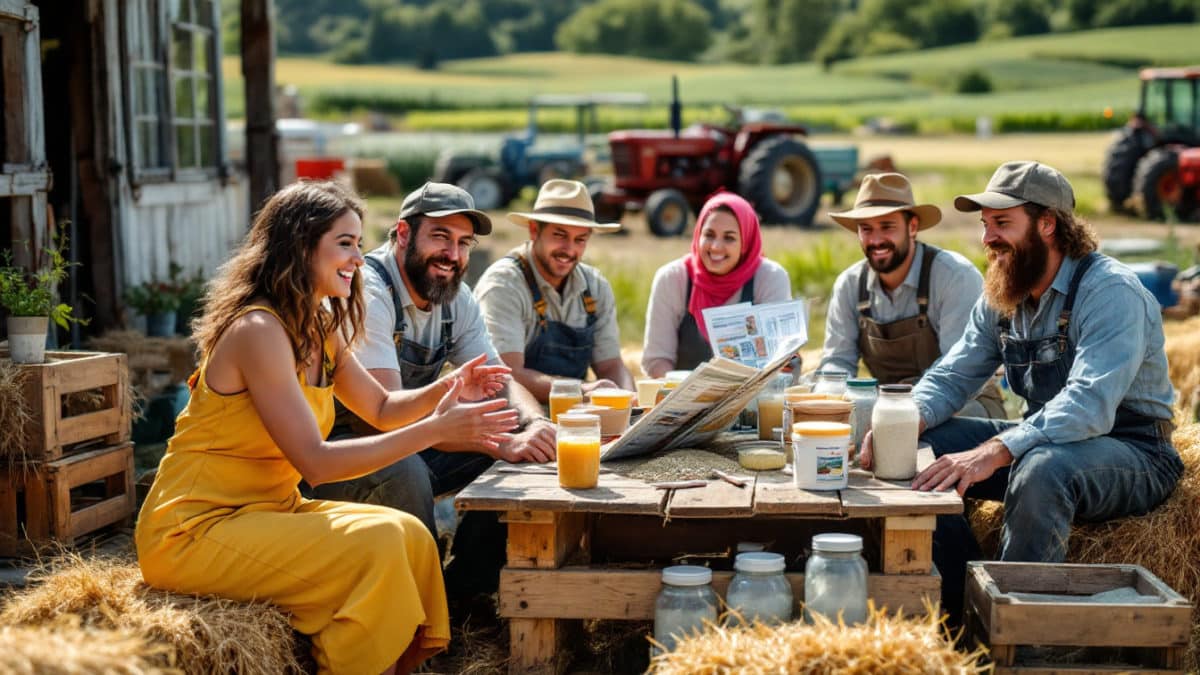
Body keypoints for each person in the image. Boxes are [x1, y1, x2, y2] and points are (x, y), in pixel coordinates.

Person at [135, 181, 521, 674]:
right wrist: (437, 428)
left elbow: (381, 407)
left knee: (411, 537)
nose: (359, 259)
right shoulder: (258, 331)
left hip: (269, 510)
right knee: (378, 547)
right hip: (194, 528)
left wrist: (448, 389)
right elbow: (315, 462)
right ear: (300, 246)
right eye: (345, 243)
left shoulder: (319, 324)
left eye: (359, 244)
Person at [861, 161, 1184, 626]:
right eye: (985, 224)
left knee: (1041, 469)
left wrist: (995, 450)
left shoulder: (1110, 291)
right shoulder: (1005, 289)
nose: (988, 238)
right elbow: (953, 374)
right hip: (1047, 438)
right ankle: (963, 608)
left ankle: (1016, 633)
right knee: (916, 446)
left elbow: (1089, 407)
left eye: (1002, 223)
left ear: (1047, 224)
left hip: (1134, 449)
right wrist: (904, 419)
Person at [310, 181, 556, 602]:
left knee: (522, 435)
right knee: (408, 468)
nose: (453, 255)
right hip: (345, 450)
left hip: (413, 433)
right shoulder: (369, 291)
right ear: (403, 234)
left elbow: (501, 378)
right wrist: (498, 443)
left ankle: (467, 587)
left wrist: (533, 425)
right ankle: (421, 604)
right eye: (440, 237)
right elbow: (379, 417)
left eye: (463, 243)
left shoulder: (456, 298)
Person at [820, 172, 1005, 418]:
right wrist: (831, 396)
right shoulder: (850, 285)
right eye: (866, 229)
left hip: (963, 403)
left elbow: (959, 371)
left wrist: (903, 413)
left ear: (913, 227)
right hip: (889, 410)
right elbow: (837, 362)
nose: (876, 240)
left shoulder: (954, 276)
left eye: (887, 227)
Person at [475, 179, 635, 400]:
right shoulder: (503, 285)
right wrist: (580, 390)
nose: (569, 250)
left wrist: (629, 400)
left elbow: (611, 365)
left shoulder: (595, 286)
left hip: (576, 416)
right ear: (534, 230)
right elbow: (508, 375)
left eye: (580, 240)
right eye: (559, 236)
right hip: (516, 417)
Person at [641, 191, 792, 377]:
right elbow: (656, 360)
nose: (716, 247)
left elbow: (780, 358)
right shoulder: (672, 279)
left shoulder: (770, 278)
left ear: (745, 243)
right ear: (697, 235)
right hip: (682, 400)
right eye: (709, 235)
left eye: (729, 238)